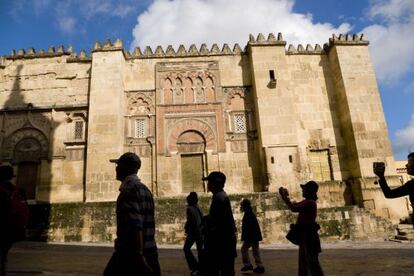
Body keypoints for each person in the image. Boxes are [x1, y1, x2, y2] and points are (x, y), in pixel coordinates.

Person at [104, 152, 160, 276]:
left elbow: (135, 226)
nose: (116, 169)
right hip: (151, 251)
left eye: (118, 165)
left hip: (130, 255)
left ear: (125, 168)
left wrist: (139, 256)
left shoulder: (128, 191)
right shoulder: (145, 190)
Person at [279, 181, 324, 276]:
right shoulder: (307, 201)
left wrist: (284, 197)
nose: (302, 190)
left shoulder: (310, 203)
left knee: (312, 261)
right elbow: (294, 205)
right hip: (306, 235)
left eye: (304, 189)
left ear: (309, 191)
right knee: (305, 260)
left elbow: (293, 208)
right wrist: (285, 197)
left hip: (309, 235)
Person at [203, 171, 237, 276]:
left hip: (222, 243)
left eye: (209, 182)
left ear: (215, 183)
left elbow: (219, 222)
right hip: (225, 242)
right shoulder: (220, 196)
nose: (207, 185)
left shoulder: (219, 198)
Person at [373, 153, 414, 218]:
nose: (406, 165)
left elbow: (389, 194)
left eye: (409, 162)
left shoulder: (412, 185)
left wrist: (381, 176)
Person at [240, 199, 265, 274]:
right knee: (255, 251)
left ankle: (248, 264)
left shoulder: (248, 214)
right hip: (253, 236)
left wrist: (246, 238)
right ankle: (259, 266)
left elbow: (248, 227)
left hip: (251, 237)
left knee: (244, 249)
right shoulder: (250, 213)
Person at [183, 192, 204, 275]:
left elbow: (191, 221)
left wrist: (187, 229)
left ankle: (194, 266)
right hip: (200, 232)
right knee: (200, 251)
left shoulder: (190, 209)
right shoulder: (198, 208)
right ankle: (200, 268)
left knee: (186, 248)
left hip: (194, 233)